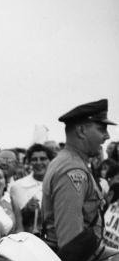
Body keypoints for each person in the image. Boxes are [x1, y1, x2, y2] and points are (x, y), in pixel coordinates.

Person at [42, 99, 116, 249]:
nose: (107, 136)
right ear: (81, 131)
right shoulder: (72, 170)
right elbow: (71, 243)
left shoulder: (67, 161)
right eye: (102, 129)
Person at [10, 143, 53, 234]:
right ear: (29, 162)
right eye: (34, 159)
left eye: (43, 159)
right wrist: (26, 210)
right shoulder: (17, 186)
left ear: (50, 161)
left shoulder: (58, 185)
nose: (38, 163)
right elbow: (14, 221)